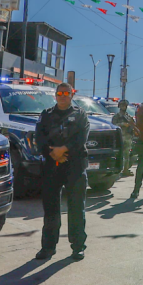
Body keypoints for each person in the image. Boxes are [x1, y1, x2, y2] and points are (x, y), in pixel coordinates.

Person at [35, 83, 90, 261]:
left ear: (72, 95)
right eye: (60, 93)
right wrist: (53, 153)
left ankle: (78, 247)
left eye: (66, 93)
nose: (63, 96)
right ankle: (48, 247)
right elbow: (39, 137)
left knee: (76, 208)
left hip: (74, 165)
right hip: (52, 165)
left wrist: (64, 149)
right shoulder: (46, 115)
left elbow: (82, 138)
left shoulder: (80, 114)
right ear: (55, 95)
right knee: (51, 209)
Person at [111, 99, 134, 177]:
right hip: (120, 137)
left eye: (124, 105)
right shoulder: (116, 116)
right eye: (122, 105)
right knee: (119, 154)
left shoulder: (128, 116)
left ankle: (126, 169)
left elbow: (132, 125)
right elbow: (113, 125)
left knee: (127, 154)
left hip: (128, 136)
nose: (123, 107)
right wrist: (122, 124)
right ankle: (118, 170)